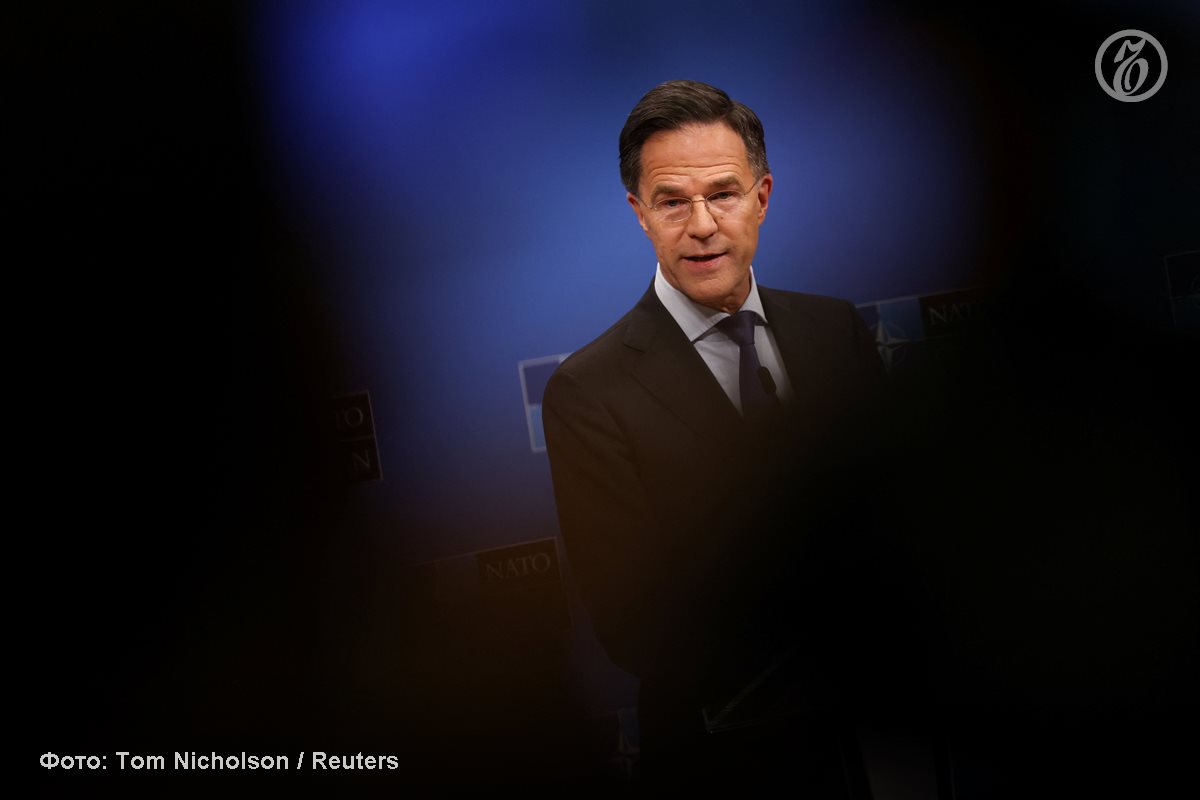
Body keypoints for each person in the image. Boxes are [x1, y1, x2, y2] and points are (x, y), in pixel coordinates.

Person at [542, 80, 891, 791]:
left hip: (858, 754)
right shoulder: (588, 389)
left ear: (762, 197)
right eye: (672, 201)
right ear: (640, 214)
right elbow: (632, 624)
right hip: (714, 764)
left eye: (723, 194)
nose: (701, 224)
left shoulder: (835, 331)